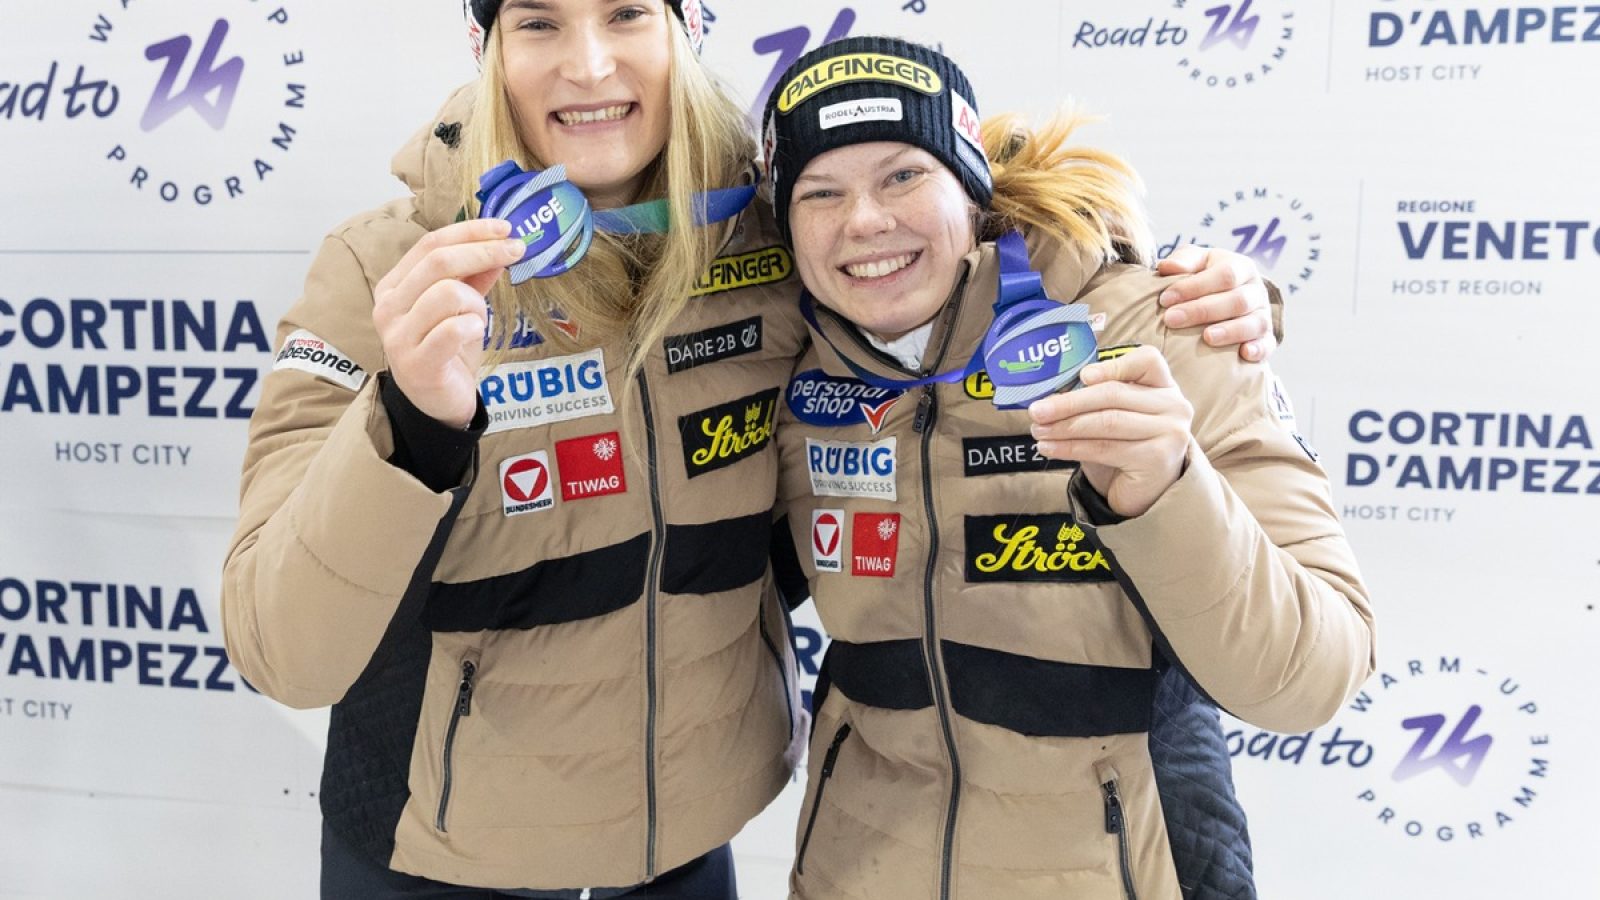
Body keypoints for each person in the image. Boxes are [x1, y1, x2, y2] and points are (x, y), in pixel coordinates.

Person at [221, 2, 1283, 897]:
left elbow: (972, 233)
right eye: (539, 21)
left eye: (627, 13)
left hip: (688, 833)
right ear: (484, 47)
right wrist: (408, 424)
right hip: (436, 844)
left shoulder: (774, 220)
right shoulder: (389, 269)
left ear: (684, 29)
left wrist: (1205, 298)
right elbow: (285, 649)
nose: (587, 64)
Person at [765, 36, 1376, 900]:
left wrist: (1167, 491)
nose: (863, 221)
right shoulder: (798, 362)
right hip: (856, 869)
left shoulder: (1164, 329)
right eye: (821, 192)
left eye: (904, 175)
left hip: (1126, 868)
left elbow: (1312, 678)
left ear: (972, 191)